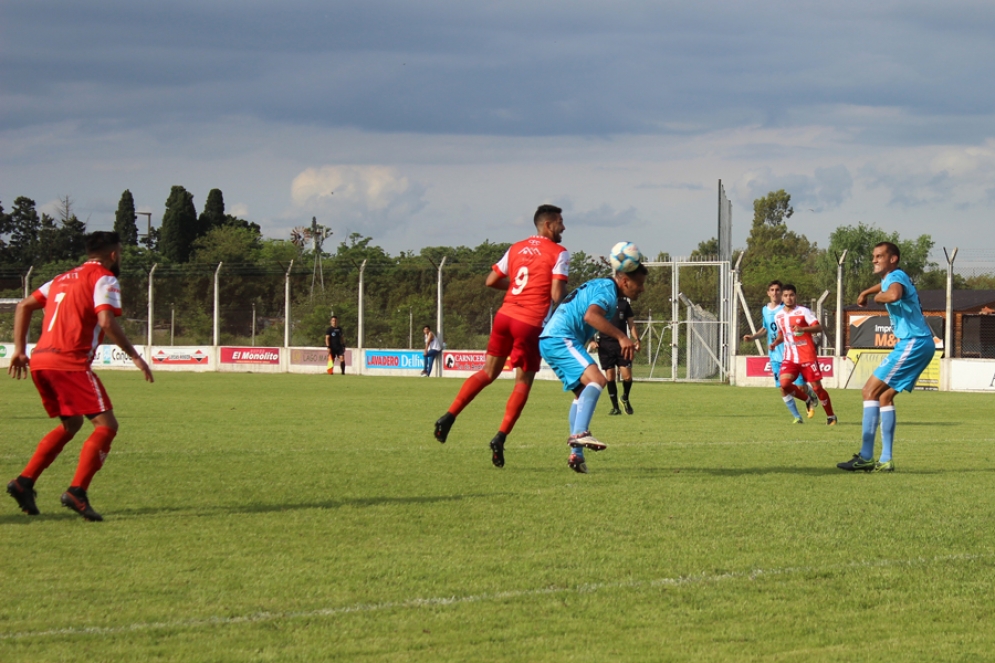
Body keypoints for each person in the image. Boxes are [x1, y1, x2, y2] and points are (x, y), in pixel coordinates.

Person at [6, 231, 154, 522]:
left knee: (72, 423)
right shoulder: (104, 278)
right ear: (113, 254)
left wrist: (20, 350)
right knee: (107, 426)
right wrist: (135, 355)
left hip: (41, 361)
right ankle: (77, 491)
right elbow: (105, 320)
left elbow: (23, 305)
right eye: (120, 253)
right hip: (69, 362)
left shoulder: (61, 278)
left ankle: (24, 482)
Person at [434, 204, 569, 468]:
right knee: (523, 382)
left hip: (504, 316)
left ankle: (449, 416)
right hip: (529, 323)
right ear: (548, 225)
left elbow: (491, 280)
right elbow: (556, 294)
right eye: (560, 222)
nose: (564, 227)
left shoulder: (516, 247)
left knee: (487, 372)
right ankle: (500, 437)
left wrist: (521, 287)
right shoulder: (559, 252)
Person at [540, 262, 647, 473]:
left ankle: (576, 456)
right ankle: (580, 433)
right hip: (561, 337)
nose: (642, 289)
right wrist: (622, 337)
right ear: (625, 281)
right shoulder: (607, 291)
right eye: (640, 283)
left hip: (550, 338)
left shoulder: (602, 286)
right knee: (598, 380)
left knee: (581, 395)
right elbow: (591, 316)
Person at [837, 242, 935, 473]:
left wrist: (879, 297)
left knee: (869, 391)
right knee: (884, 397)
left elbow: (893, 294)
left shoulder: (895, 277)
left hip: (912, 342)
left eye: (879, 256)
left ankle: (866, 456)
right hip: (922, 343)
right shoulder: (894, 276)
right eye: (873, 256)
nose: (874, 260)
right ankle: (886, 460)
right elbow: (885, 286)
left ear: (893, 259)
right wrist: (866, 292)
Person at [742, 279, 817, 420]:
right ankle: (797, 417)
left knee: (800, 387)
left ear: (782, 293)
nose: (775, 293)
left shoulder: (788, 309)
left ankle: (809, 394)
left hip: (793, 354)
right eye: (772, 290)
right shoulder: (765, 310)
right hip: (775, 355)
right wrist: (753, 337)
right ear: (768, 293)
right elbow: (765, 328)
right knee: (783, 388)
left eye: (778, 290)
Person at [770, 284, 837, 426]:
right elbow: (782, 333)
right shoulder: (778, 316)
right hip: (790, 357)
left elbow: (818, 327)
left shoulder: (803, 311)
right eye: (786, 295)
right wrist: (776, 343)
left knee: (817, 388)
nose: (789, 298)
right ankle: (808, 399)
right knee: (784, 384)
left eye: (791, 295)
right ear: (782, 297)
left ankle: (831, 416)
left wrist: (803, 329)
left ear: (796, 296)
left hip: (807, 355)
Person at [590, 294, 640, 415]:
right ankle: (615, 408)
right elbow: (591, 321)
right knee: (610, 377)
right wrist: (591, 340)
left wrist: (637, 339)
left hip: (622, 344)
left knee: (627, 377)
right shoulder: (601, 303)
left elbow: (631, 324)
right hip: (605, 345)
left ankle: (625, 398)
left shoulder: (624, 304)